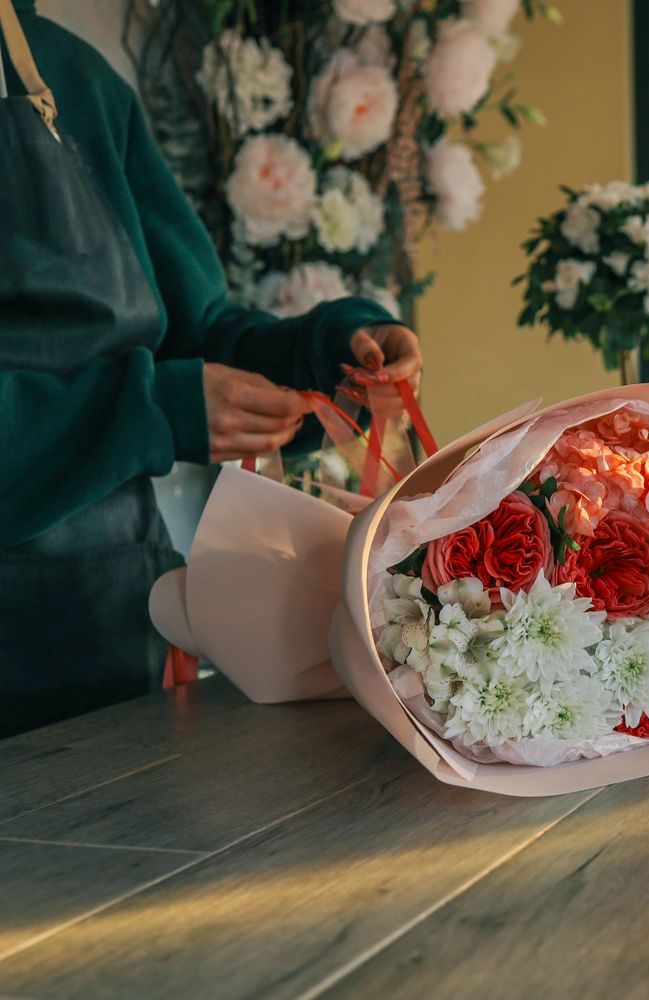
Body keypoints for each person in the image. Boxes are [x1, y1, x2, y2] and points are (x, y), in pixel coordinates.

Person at [0, 1, 422, 737]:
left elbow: (198, 330)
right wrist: (155, 409)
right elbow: (166, 391)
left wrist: (330, 353)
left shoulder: (75, 78)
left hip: (114, 617)